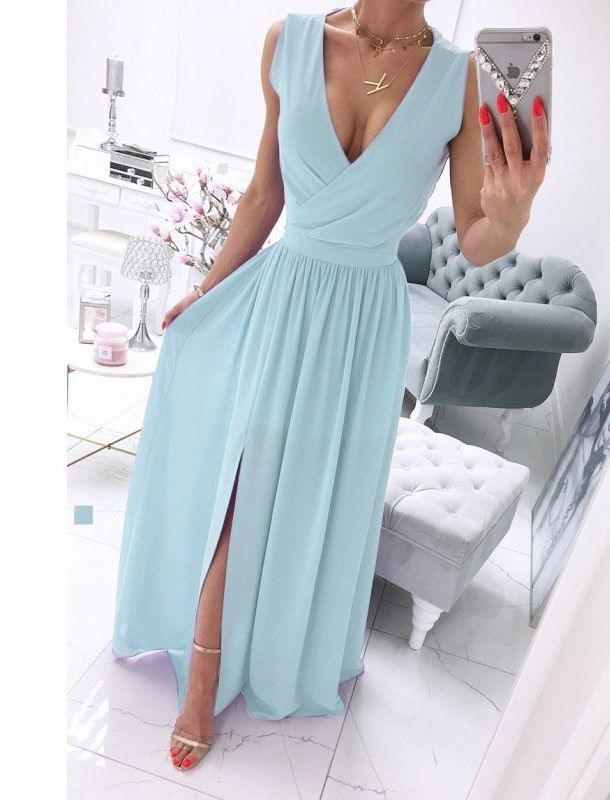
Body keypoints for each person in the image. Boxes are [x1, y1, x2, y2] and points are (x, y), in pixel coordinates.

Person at [112, 0, 549, 773]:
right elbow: (264, 195)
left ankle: (280, 648)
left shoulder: (460, 78)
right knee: (240, 479)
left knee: (315, 489)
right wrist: (208, 291)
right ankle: (204, 669)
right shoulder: (288, 42)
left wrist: (512, 217)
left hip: (362, 324)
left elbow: (479, 237)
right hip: (281, 295)